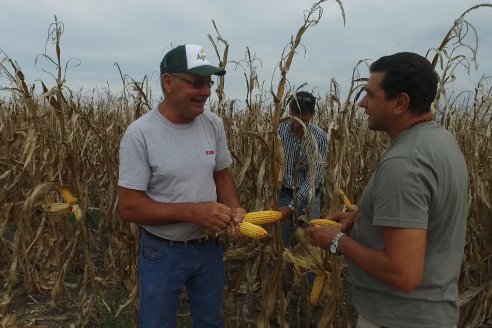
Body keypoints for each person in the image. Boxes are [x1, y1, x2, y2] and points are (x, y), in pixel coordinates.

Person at [307, 52, 468, 328]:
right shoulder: (440, 141)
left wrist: (337, 241)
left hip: (399, 318)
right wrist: (363, 217)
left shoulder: (405, 164)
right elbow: (427, 214)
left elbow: (403, 273)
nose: (362, 103)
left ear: (400, 102)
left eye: (370, 94)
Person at [117, 44, 246, 328]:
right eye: (197, 83)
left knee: (211, 321)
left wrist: (235, 209)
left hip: (209, 248)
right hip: (163, 251)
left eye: (209, 83)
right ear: (168, 83)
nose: (207, 91)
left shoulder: (212, 124)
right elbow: (128, 207)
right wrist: (193, 212)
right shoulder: (140, 135)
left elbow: (221, 176)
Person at [269, 91, 328, 247]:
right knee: (279, 243)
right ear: (290, 110)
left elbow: (313, 178)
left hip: (310, 198)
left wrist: (291, 207)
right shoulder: (279, 132)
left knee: (310, 245)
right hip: (283, 194)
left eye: (303, 114)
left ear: (312, 114)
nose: (298, 119)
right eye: (295, 113)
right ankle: (281, 271)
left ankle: (308, 272)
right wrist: (271, 196)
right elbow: (272, 167)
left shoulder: (319, 137)